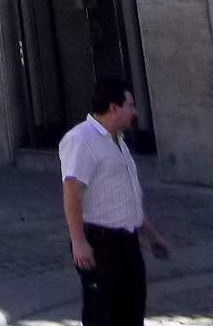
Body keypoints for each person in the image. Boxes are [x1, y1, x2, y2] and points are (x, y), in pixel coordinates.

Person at [61, 78, 171, 326]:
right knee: (104, 315)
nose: (134, 111)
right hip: (101, 243)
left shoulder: (117, 141)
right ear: (114, 107)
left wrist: (152, 236)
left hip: (128, 243)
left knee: (131, 312)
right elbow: (71, 193)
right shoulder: (82, 139)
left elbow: (124, 199)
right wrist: (79, 242)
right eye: (130, 104)